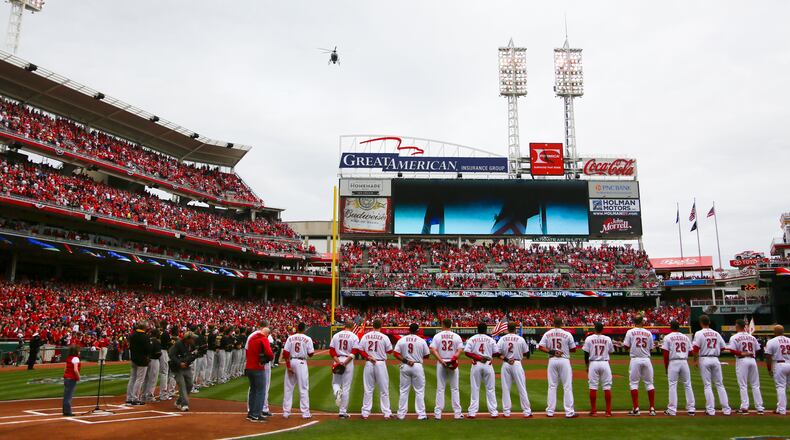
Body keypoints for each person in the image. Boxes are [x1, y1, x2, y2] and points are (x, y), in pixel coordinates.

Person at [692, 314, 731, 416]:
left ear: (701, 323)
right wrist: (714, 351)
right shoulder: (716, 333)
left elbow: (695, 348)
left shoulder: (699, 333)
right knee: (720, 384)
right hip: (715, 359)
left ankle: (710, 410)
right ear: (709, 322)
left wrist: (695, 360)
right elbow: (723, 348)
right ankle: (726, 409)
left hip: (704, 358)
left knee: (707, 385)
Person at [538, 317, 577, 418]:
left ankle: (550, 411)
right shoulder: (567, 334)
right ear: (562, 323)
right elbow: (573, 349)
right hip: (564, 360)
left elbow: (540, 347)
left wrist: (552, 351)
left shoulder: (548, 333)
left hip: (552, 360)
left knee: (552, 386)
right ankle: (569, 412)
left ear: (553, 323)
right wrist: (565, 348)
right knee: (567, 386)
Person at [393, 323, 430, 420]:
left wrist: (406, 360)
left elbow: (396, 354)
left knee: (404, 391)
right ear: (417, 331)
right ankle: (421, 415)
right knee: (419, 391)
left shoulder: (402, 339)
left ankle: (401, 415)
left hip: (405, 365)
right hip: (417, 365)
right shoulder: (421, 340)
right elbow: (427, 355)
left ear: (409, 330)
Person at [430, 318, 464, 420]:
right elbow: (459, 350)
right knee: (455, 388)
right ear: (451, 325)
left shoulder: (437, 336)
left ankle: (438, 414)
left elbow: (432, 349)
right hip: (452, 363)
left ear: (443, 324)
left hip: (441, 363)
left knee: (440, 388)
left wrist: (441, 360)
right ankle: (457, 414)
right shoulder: (456, 336)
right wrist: (453, 360)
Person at [727, 319, 764, 415]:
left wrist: (742, 352)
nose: (735, 326)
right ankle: (759, 408)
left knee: (743, 385)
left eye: (736, 325)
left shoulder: (734, 337)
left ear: (738, 326)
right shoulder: (752, 337)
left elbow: (731, 351)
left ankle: (744, 407)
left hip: (742, 360)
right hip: (752, 360)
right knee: (755, 385)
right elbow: (758, 349)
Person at [358, 319, 393, 419]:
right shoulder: (384, 337)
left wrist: (368, 356)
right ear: (381, 326)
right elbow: (390, 351)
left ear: (372, 325)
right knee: (384, 389)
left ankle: (365, 413)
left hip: (369, 363)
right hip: (380, 363)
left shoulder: (365, 336)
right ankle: (386, 413)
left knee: (368, 389)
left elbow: (360, 350)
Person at [496, 322, 532, 418]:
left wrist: (506, 359)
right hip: (517, 363)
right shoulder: (520, 339)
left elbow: (496, 353)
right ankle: (527, 411)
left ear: (507, 328)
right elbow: (527, 354)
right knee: (521, 387)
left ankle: (506, 412)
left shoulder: (502, 339)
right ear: (515, 329)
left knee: (506, 388)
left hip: (506, 363)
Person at [622, 315, 656, 416]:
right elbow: (651, 348)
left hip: (635, 359)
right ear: (642, 321)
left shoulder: (630, 332)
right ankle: (652, 409)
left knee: (634, 384)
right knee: (649, 384)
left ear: (634, 322)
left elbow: (626, 347)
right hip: (646, 359)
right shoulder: (648, 333)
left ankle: (636, 409)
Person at [464, 322, 499, 418]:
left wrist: (479, 358)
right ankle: (494, 412)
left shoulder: (472, 338)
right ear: (486, 329)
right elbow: (496, 353)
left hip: (476, 364)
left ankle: (472, 412)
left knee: (475, 388)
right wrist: (488, 355)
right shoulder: (490, 339)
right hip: (488, 364)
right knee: (490, 388)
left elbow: (466, 352)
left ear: (477, 329)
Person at [661, 320, 695, 416]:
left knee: (672, 385)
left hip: (673, 362)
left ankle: (672, 409)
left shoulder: (668, 337)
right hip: (684, 362)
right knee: (688, 384)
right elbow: (691, 352)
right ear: (679, 327)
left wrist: (666, 367)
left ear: (670, 327)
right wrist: (682, 354)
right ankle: (691, 408)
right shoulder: (685, 337)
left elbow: (665, 354)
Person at [282, 322, 314, 419]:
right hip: (301, 363)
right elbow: (311, 353)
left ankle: (286, 412)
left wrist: (288, 366)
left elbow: (286, 353)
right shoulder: (308, 339)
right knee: (303, 388)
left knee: (288, 388)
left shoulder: (290, 338)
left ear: (297, 328)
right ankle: (305, 413)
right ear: (304, 329)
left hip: (291, 361)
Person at [329, 321, 360, 419]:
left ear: (344, 326)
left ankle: (337, 391)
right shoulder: (354, 336)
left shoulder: (336, 335)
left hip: (337, 359)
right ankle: (342, 412)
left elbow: (331, 350)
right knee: (346, 387)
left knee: (335, 383)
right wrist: (345, 362)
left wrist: (338, 361)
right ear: (352, 327)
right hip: (348, 361)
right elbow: (355, 351)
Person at [582, 322, 614, 417]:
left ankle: (594, 411)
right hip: (605, 363)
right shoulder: (607, 339)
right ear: (602, 329)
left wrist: (587, 366)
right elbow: (611, 351)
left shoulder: (589, 338)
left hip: (593, 363)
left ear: (594, 329)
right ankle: (608, 411)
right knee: (607, 387)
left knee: (593, 386)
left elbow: (586, 354)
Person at [245, 322, 273, 422]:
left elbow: (247, 351)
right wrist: (269, 358)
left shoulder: (252, 338)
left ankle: (250, 413)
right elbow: (270, 353)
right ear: (267, 333)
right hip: (258, 367)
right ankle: (256, 414)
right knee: (261, 391)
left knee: (253, 390)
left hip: (249, 367)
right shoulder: (263, 339)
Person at [764, 324, 790, 415]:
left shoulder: (772, 341)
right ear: (783, 331)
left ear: (774, 332)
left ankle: (782, 410)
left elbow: (768, 356)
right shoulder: (789, 340)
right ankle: (779, 408)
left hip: (780, 364)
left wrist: (769, 369)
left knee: (780, 387)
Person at [169, 331, 196, 412]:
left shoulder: (191, 345)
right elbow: (171, 355)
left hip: (186, 367)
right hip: (177, 368)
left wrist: (195, 355)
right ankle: (184, 404)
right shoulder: (178, 344)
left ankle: (178, 401)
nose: (193, 340)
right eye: (192, 338)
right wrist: (179, 363)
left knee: (190, 385)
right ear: (187, 339)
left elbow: (192, 355)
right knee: (182, 385)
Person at [126, 321, 151, 406]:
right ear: (144, 327)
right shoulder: (145, 336)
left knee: (132, 377)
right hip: (142, 360)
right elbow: (148, 349)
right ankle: (135, 398)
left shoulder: (132, 335)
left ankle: (129, 397)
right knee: (139, 379)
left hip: (134, 358)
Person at [142, 328, 162, 402]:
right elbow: (158, 353)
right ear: (156, 334)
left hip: (146, 360)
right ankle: (150, 395)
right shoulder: (156, 341)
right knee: (153, 379)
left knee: (146, 378)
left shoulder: (147, 340)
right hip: (154, 360)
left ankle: (143, 395)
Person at [62, 345, 81, 416]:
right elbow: (75, 370)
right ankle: (67, 412)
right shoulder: (76, 358)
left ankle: (65, 410)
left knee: (66, 395)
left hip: (66, 378)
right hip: (71, 378)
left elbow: (65, 369)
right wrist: (78, 377)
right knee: (69, 396)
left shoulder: (69, 358)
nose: (79, 352)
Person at [262, 330, 276, 417]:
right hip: (265, 363)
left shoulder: (253, 336)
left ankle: (252, 408)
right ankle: (264, 408)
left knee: (254, 387)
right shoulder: (267, 339)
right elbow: (270, 354)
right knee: (265, 386)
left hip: (256, 364)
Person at [159, 322, 174, 401]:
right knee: (164, 373)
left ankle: (146, 395)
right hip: (163, 351)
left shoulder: (156, 332)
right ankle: (163, 394)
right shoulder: (165, 333)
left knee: (150, 375)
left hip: (155, 353)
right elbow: (170, 344)